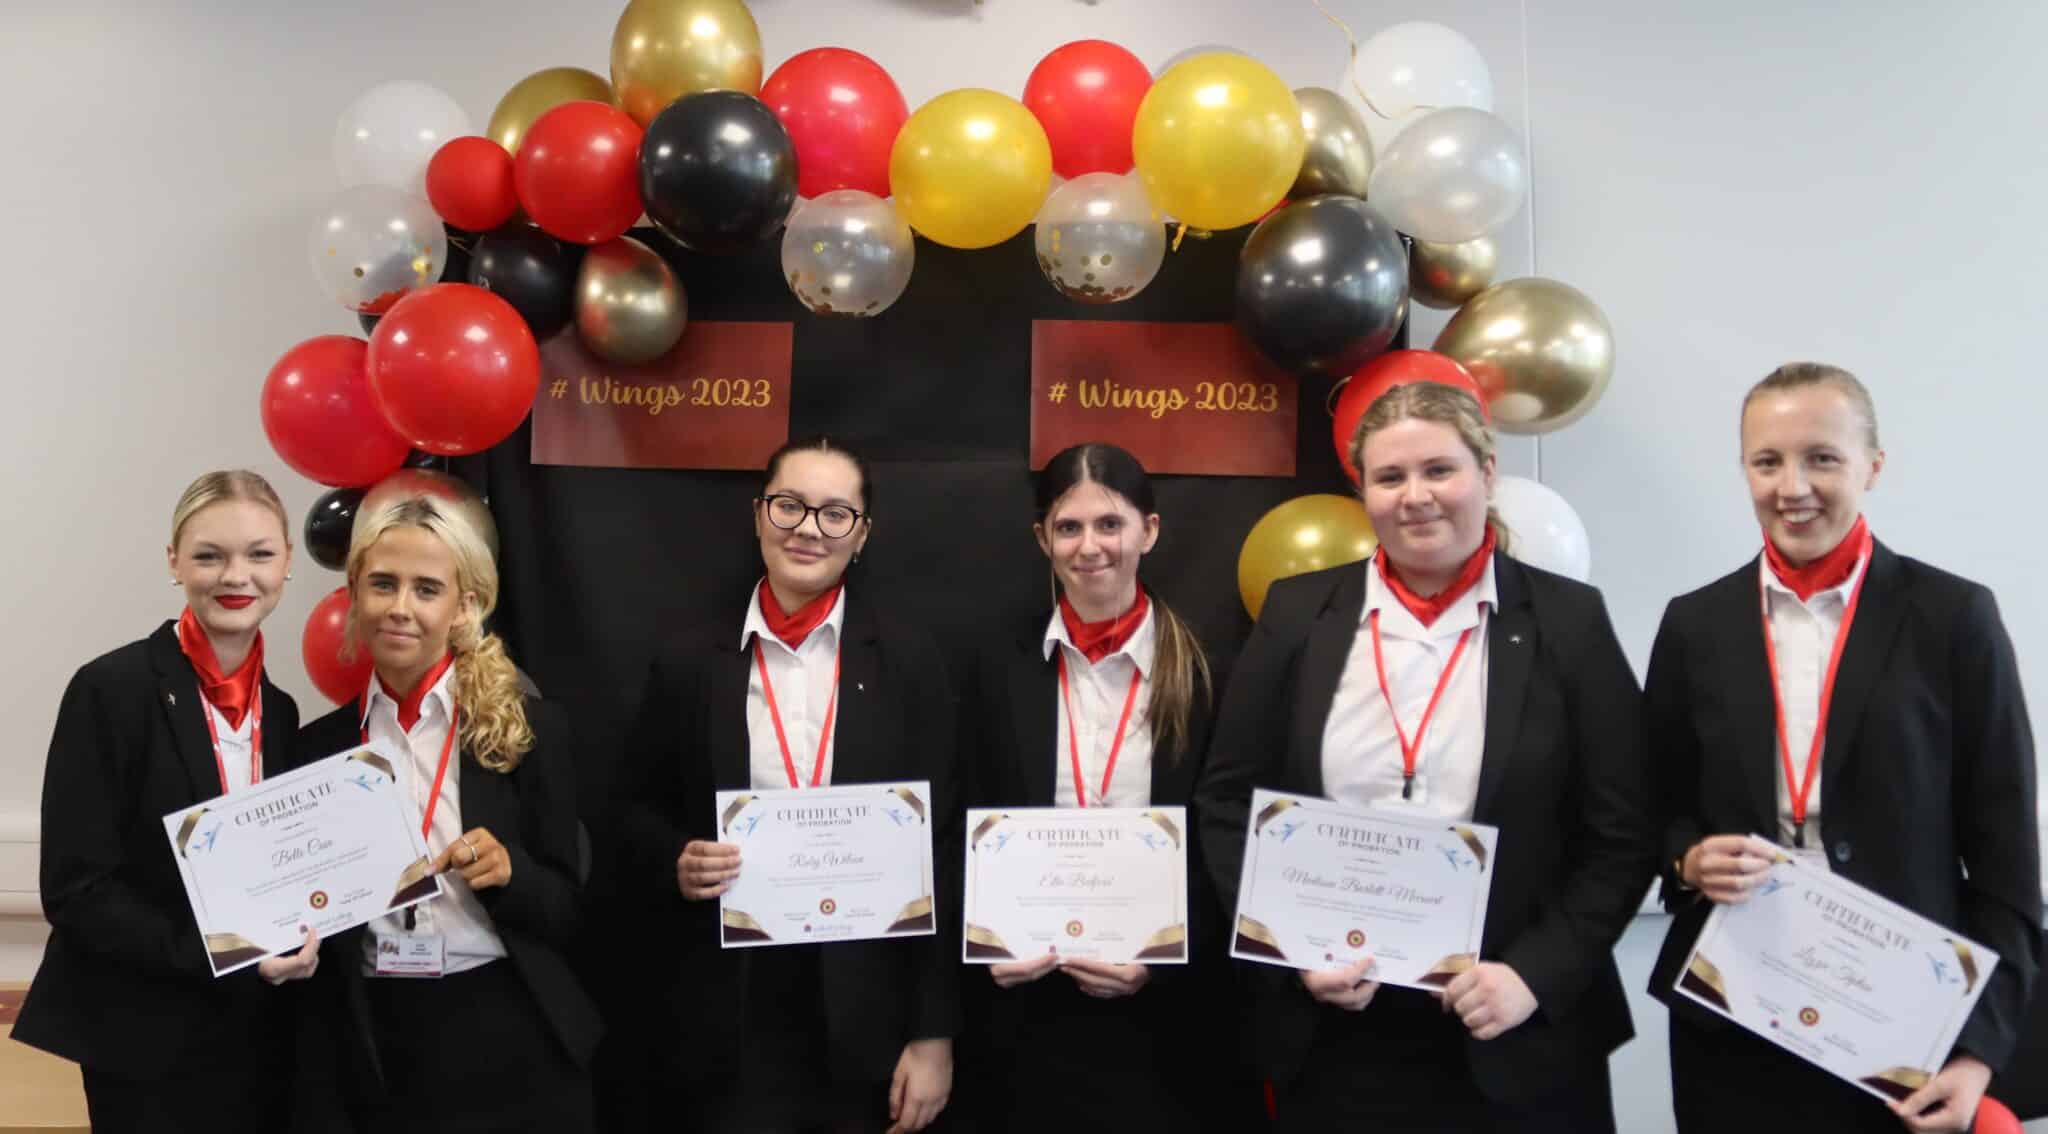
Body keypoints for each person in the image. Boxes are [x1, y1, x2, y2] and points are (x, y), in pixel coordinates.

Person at [1196, 382, 1654, 1131]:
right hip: (1340, 1030)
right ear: (1361, 491)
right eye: (1390, 477)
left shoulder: (1569, 621)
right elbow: (1225, 801)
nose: (1416, 497)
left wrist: (1533, 976)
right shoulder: (1296, 612)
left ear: (1487, 471)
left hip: (1511, 1030)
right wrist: (1287, 945)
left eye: (1439, 470)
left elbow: (1623, 833)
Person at [1648, 362, 2041, 1134]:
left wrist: (1978, 1053)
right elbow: (1653, 808)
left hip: (1906, 1033)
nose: (1792, 486)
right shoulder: (1695, 624)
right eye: (1767, 461)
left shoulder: (1954, 618)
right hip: (1732, 1019)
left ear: (1873, 466)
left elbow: (2009, 867)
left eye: (1821, 457)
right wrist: (1687, 860)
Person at [618, 435, 960, 1133]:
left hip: (868, 1013)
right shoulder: (689, 659)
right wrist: (675, 858)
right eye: (789, 506)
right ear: (757, 515)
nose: (808, 529)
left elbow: (943, 846)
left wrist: (933, 1034)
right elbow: (629, 808)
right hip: (730, 1012)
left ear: (861, 536)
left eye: (836, 514)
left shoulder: (909, 660)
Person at [956, 442, 1260, 1130]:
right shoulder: (992, 665)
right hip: (1025, 1011)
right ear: (1043, 539)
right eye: (1069, 527)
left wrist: (1165, 962)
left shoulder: (1212, 670)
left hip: (1168, 1021)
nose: (1090, 547)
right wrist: (988, 939)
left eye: (1110, 524)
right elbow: (962, 815)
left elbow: (1229, 841)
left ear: (1148, 531)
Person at [16, 470, 318, 1131]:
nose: (236, 575)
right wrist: (227, 951)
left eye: (259, 554)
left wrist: (302, 933)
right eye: (210, 555)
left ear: (288, 563)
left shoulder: (286, 712)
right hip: (145, 1037)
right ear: (174, 561)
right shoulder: (110, 690)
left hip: (259, 1034)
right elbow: (75, 888)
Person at [298, 492, 600, 1132]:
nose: (400, 607)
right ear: (354, 592)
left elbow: (572, 913)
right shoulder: (317, 748)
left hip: (505, 1028)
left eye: (426, 588)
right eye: (383, 584)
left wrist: (511, 873)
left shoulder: (526, 731)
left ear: (466, 605)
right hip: (369, 1036)